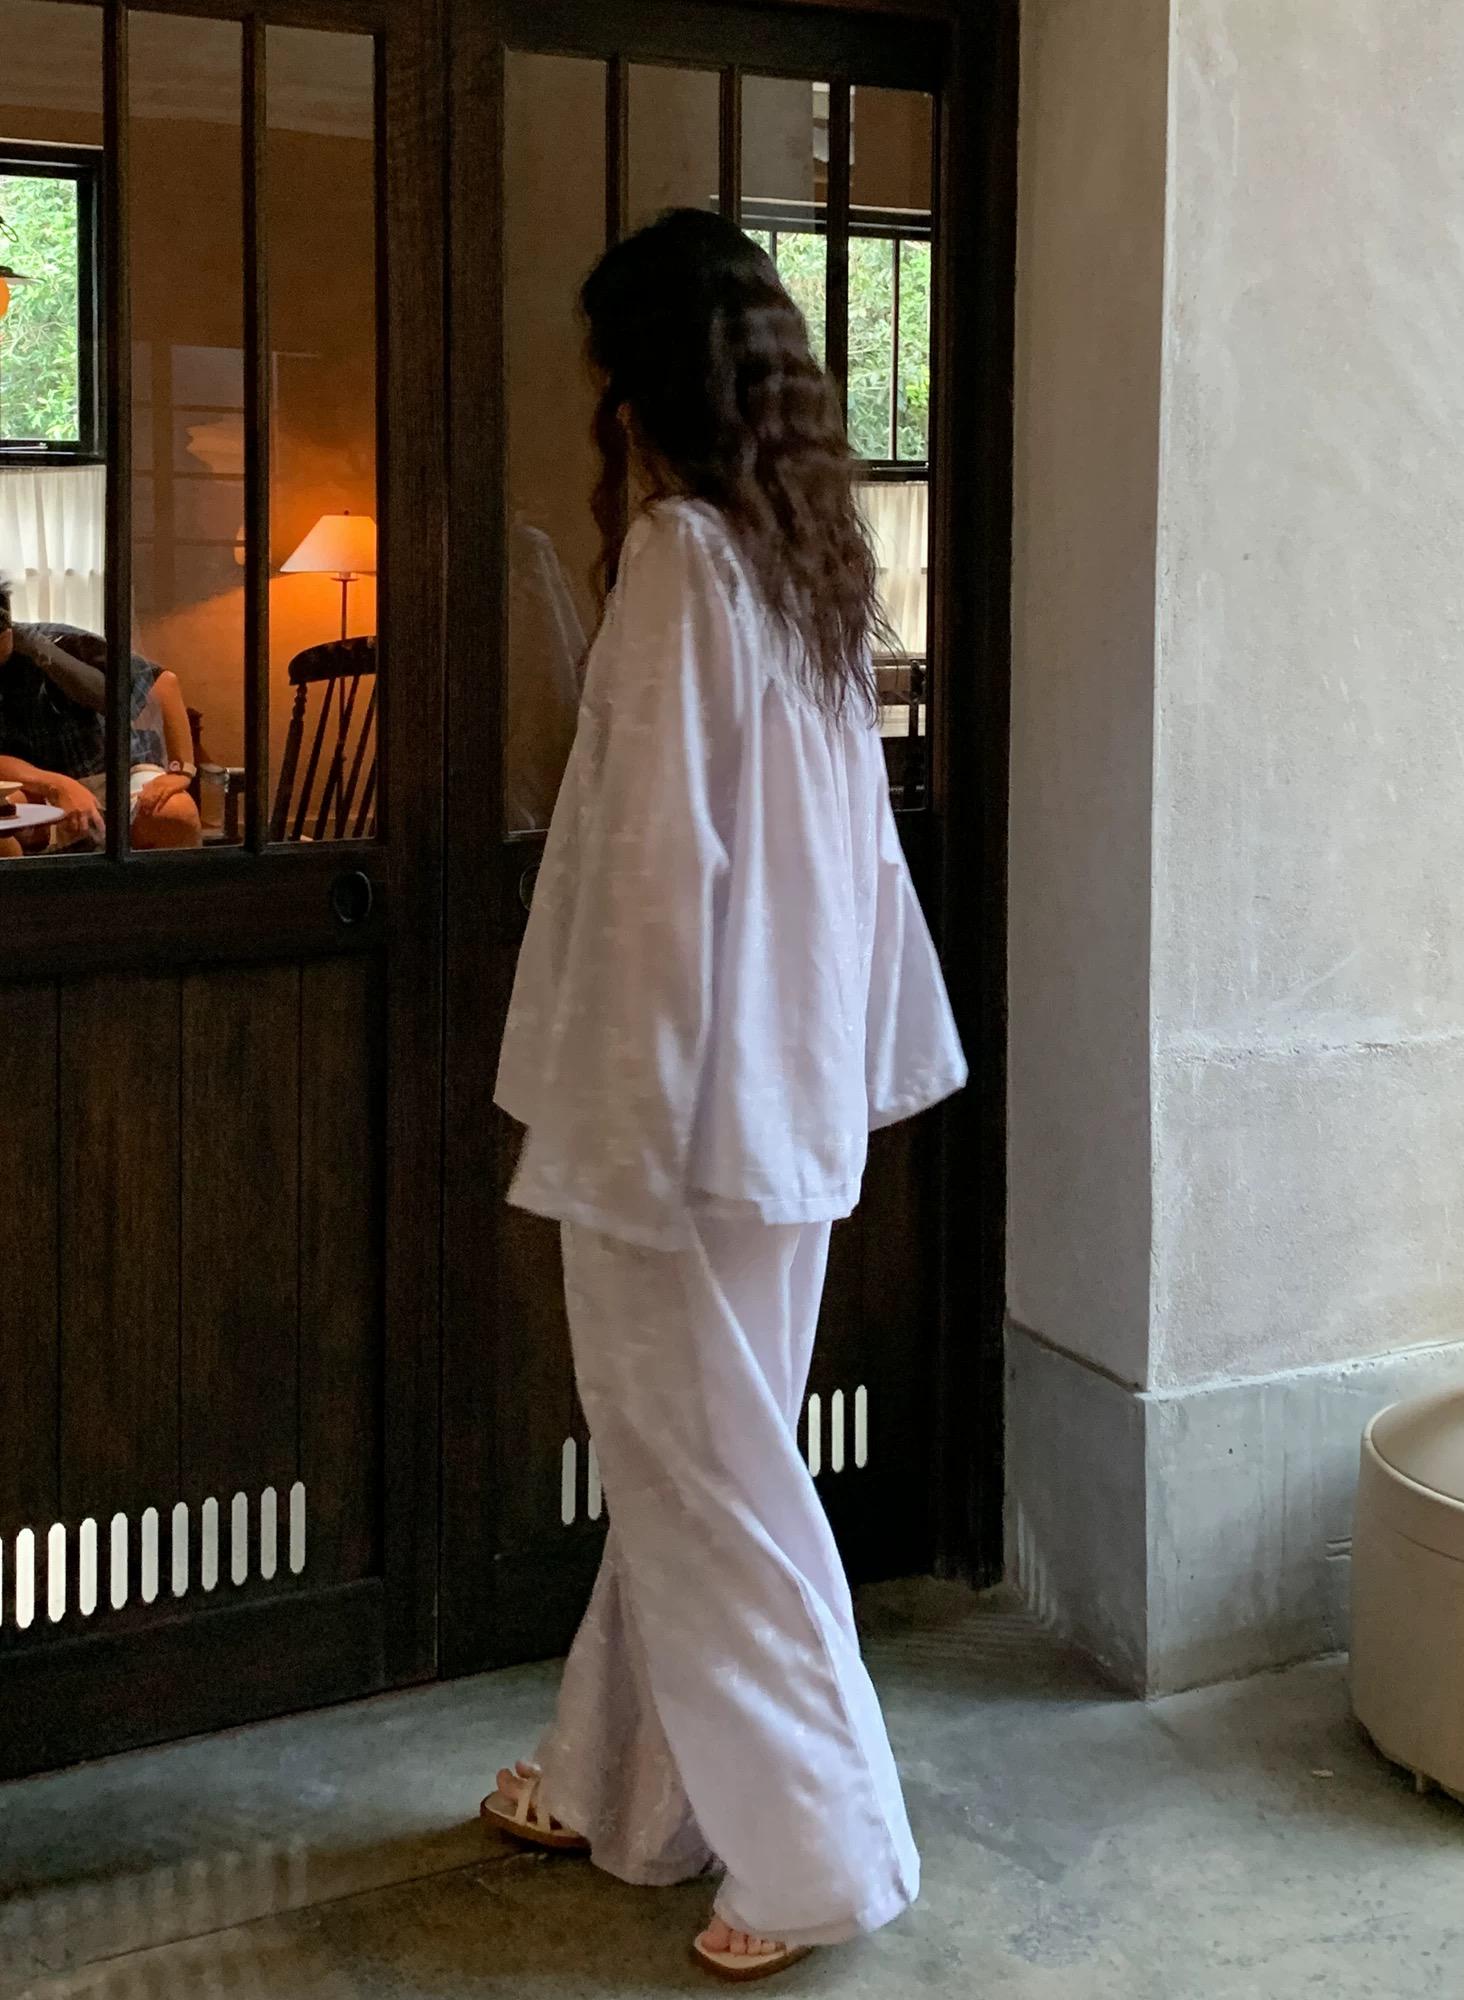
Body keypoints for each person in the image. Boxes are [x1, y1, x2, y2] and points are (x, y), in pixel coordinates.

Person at [486, 210, 967, 1982]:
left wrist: (613, 1134)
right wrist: (834, 1080)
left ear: (649, 383)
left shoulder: (686, 560)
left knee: (708, 1488)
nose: (602, 409)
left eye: (610, 373)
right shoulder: (805, 574)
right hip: (775, 1113)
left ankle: (822, 1854)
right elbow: (854, 876)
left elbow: (651, 877)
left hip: (684, 1128)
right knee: (703, 1472)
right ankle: (616, 1787)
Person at [0, 579, 200, 850]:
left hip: (118, 770)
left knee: (174, 813)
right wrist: (56, 785)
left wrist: (181, 770)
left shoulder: (61, 641)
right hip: (33, 781)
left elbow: (161, 681)